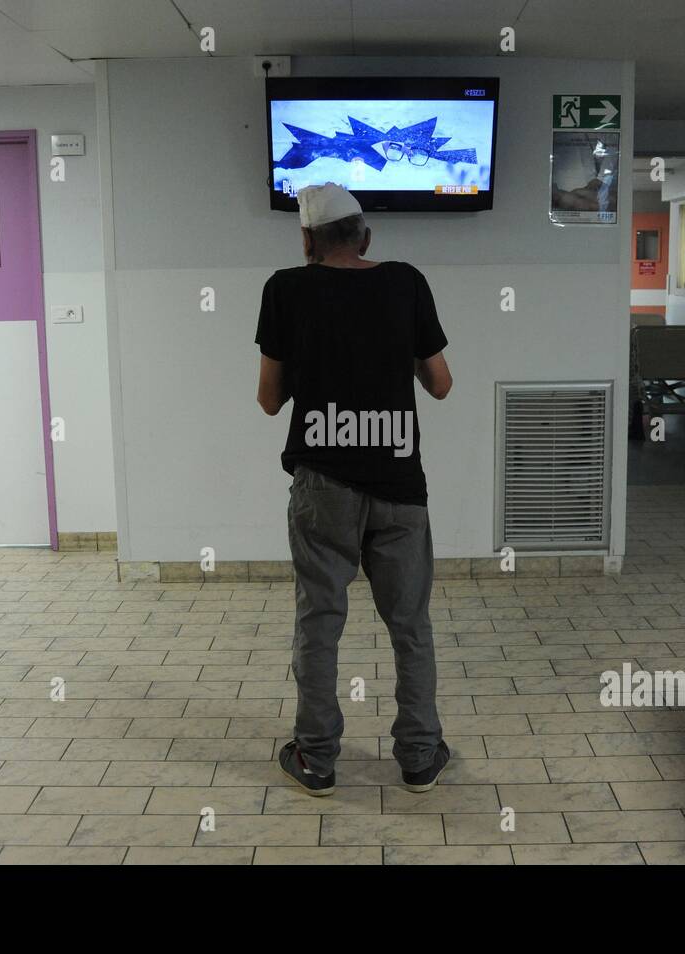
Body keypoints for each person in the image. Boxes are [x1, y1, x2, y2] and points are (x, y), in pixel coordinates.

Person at [254, 182, 454, 796]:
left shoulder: (285, 288)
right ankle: (419, 756)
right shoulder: (406, 281)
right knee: (410, 624)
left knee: (320, 622)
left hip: (323, 486)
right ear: (365, 234)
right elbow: (441, 384)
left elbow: (269, 399)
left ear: (307, 240)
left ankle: (317, 759)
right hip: (399, 484)